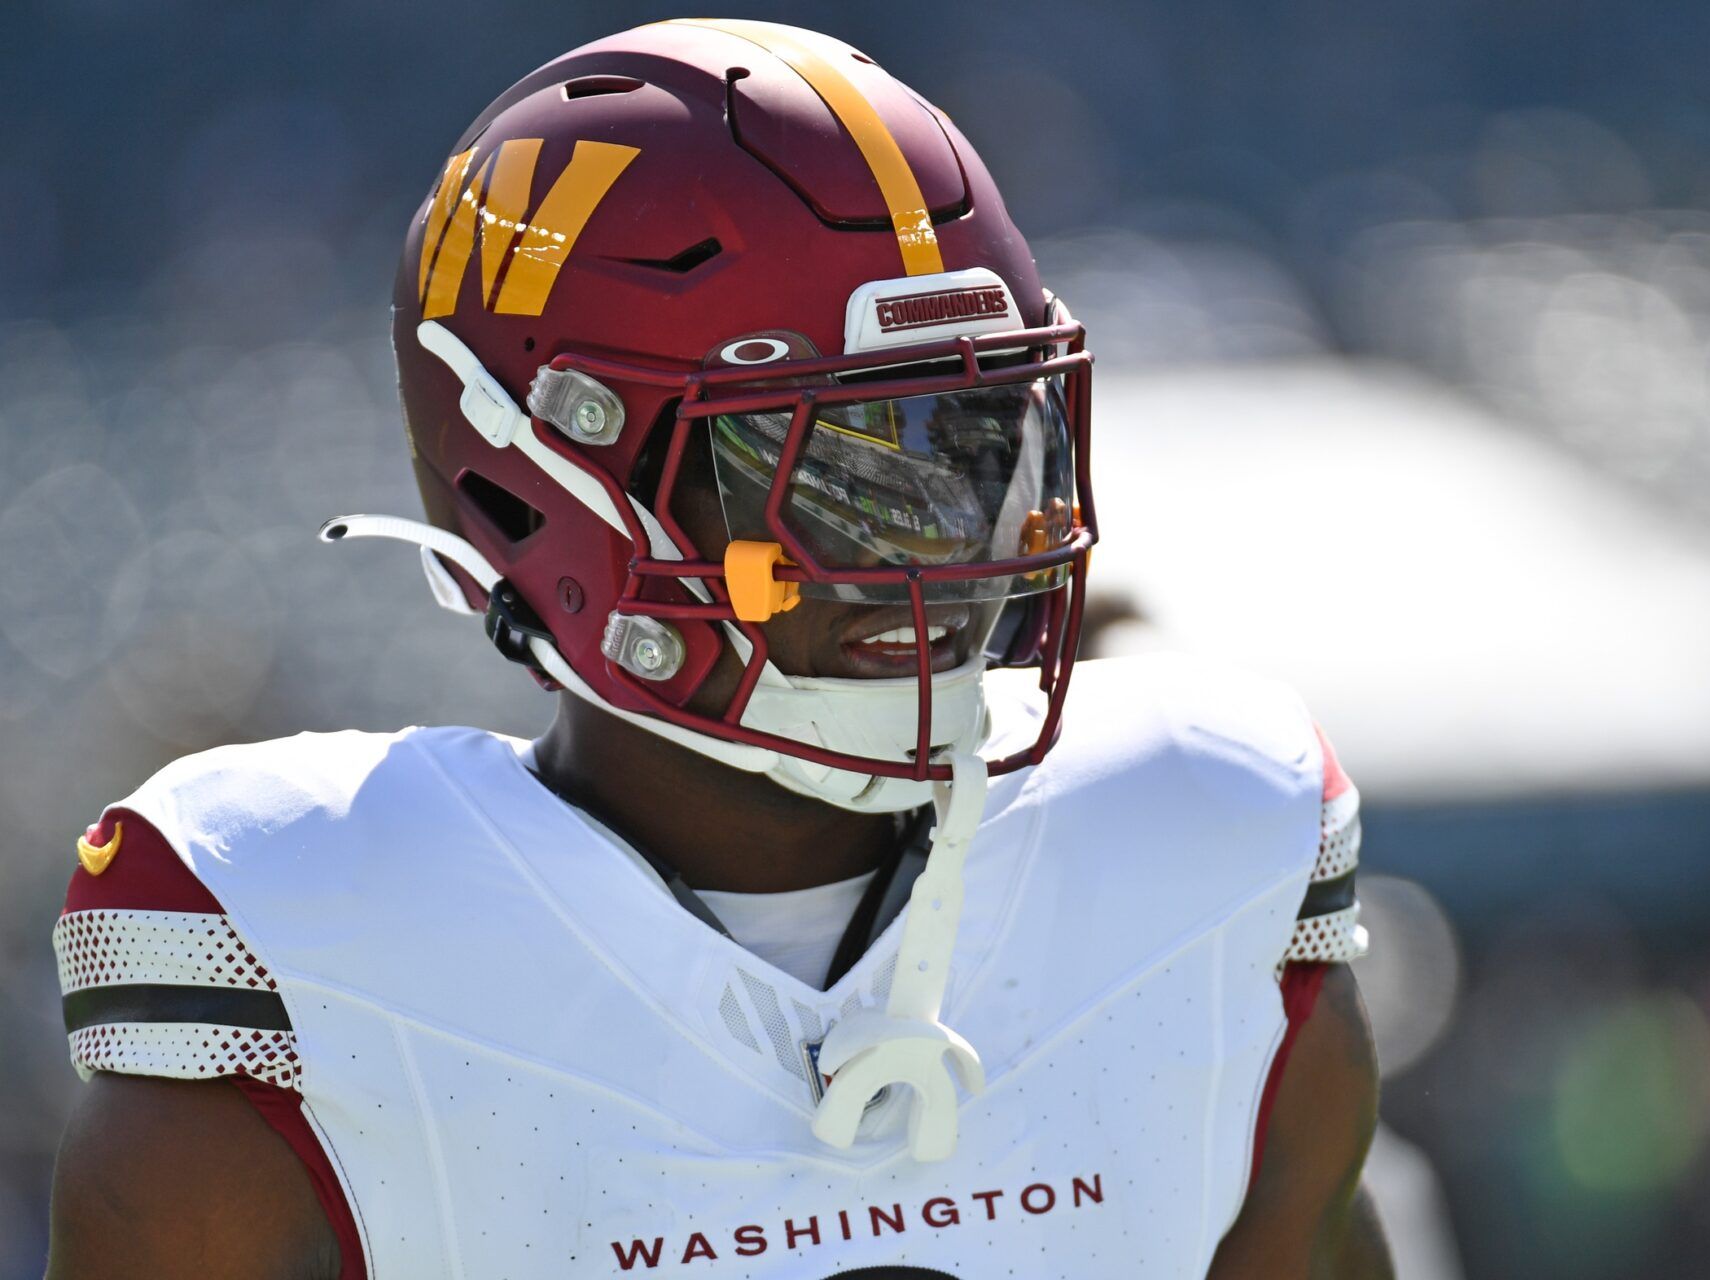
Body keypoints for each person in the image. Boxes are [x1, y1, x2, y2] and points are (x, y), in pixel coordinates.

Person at [44, 19, 1390, 1279]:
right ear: (548, 475)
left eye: (977, 442)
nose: (945, 541)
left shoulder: (1201, 854)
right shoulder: (304, 963)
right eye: (844, 465)